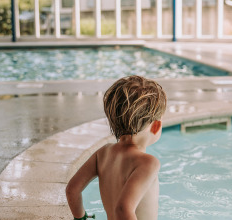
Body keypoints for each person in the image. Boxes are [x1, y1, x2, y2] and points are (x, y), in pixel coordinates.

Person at [66, 75, 167, 220]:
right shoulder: (148, 163)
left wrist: (81, 218)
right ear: (156, 126)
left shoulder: (103, 153)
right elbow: (123, 209)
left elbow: (72, 189)